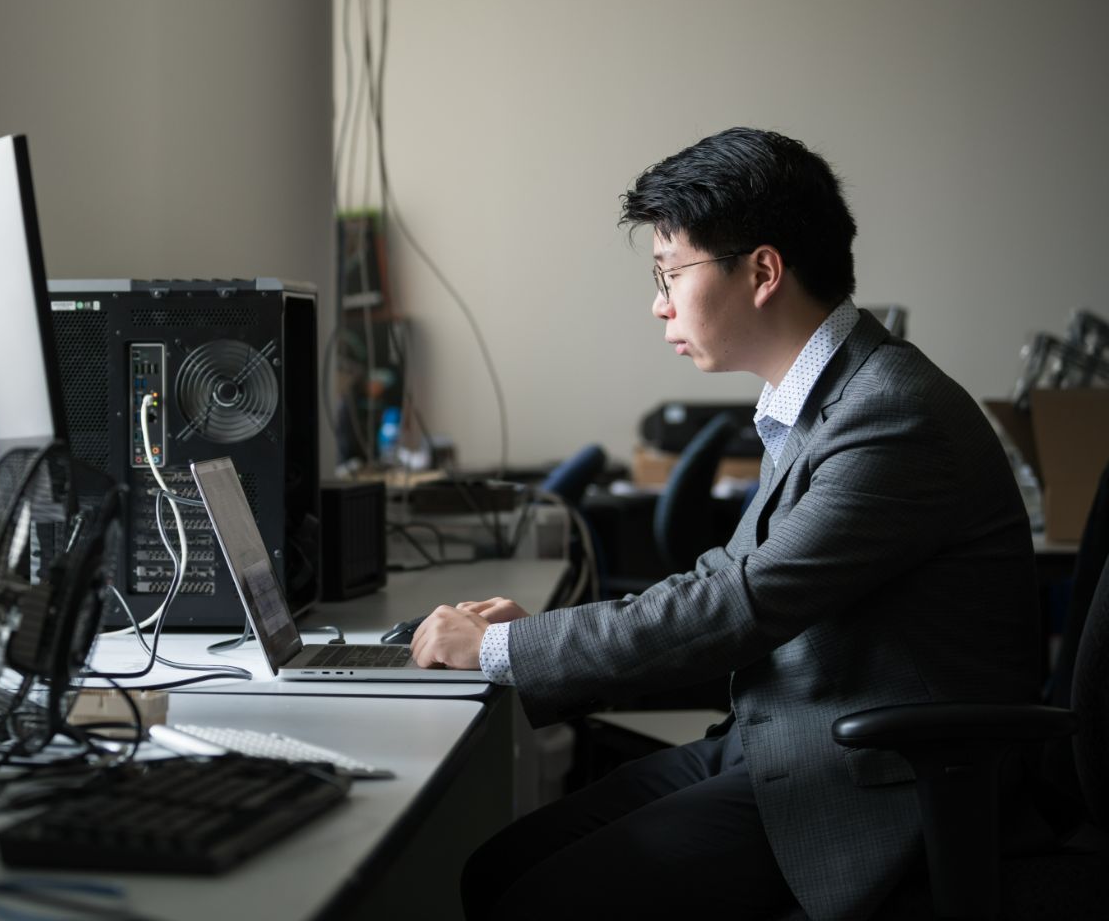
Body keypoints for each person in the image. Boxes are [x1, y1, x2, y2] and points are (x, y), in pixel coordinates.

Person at [411, 128, 1037, 920]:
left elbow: (741, 603)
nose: (659, 302)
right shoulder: (827, 397)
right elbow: (724, 582)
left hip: (876, 778)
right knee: (498, 871)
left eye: (671, 272)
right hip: (781, 737)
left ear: (763, 271)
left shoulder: (891, 417)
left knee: (537, 900)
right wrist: (540, 635)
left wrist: (506, 650)